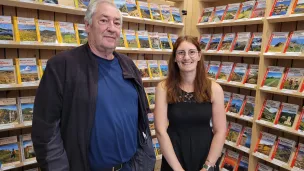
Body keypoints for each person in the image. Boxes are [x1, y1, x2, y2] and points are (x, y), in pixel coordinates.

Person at [31, 0, 155, 170]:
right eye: (104, 20)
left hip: (131, 166)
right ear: (88, 25)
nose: (111, 28)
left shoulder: (128, 65)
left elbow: (142, 119)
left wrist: (146, 158)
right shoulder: (62, 66)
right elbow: (45, 130)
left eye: (116, 23)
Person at [154, 36, 226, 171]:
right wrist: (177, 169)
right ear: (175, 58)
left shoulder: (214, 89)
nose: (186, 57)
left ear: (199, 56)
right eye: (181, 53)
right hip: (174, 158)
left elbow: (220, 131)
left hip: (205, 157)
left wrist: (207, 166)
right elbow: (160, 130)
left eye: (192, 52)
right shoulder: (163, 88)